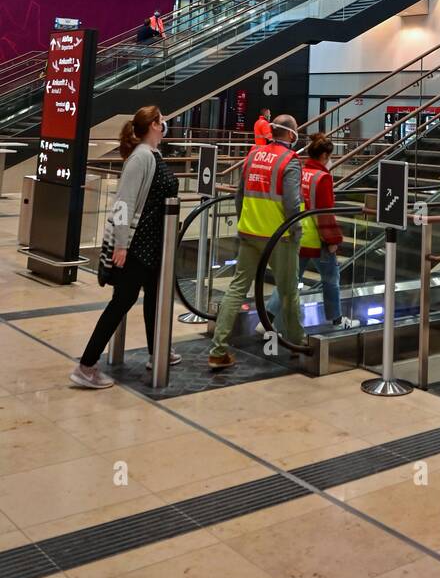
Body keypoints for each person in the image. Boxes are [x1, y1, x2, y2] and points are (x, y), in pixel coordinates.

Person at [69, 106, 181, 389]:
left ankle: (158, 352)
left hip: (153, 244)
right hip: (136, 244)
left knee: (155, 298)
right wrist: (120, 244)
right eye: (162, 119)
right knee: (122, 301)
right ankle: (86, 365)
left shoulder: (153, 155)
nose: (165, 123)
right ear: (154, 125)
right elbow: (123, 202)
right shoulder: (140, 158)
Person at [208, 114, 307, 370]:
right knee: (288, 291)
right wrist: (296, 231)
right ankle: (298, 343)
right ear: (292, 135)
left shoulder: (253, 156)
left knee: (237, 288)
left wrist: (244, 223)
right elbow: (292, 203)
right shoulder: (290, 161)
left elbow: (240, 195)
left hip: (249, 233)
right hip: (279, 238)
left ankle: (218, 349)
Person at [267, 133, 359, 330]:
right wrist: (333, 239)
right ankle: (336, 320)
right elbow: (326, 213)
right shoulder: (323, 178)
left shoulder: (301, 171)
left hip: (299, 235)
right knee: (331, 280)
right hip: (318, 240)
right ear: (325, 155)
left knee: (289, 279)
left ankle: (267, 316)